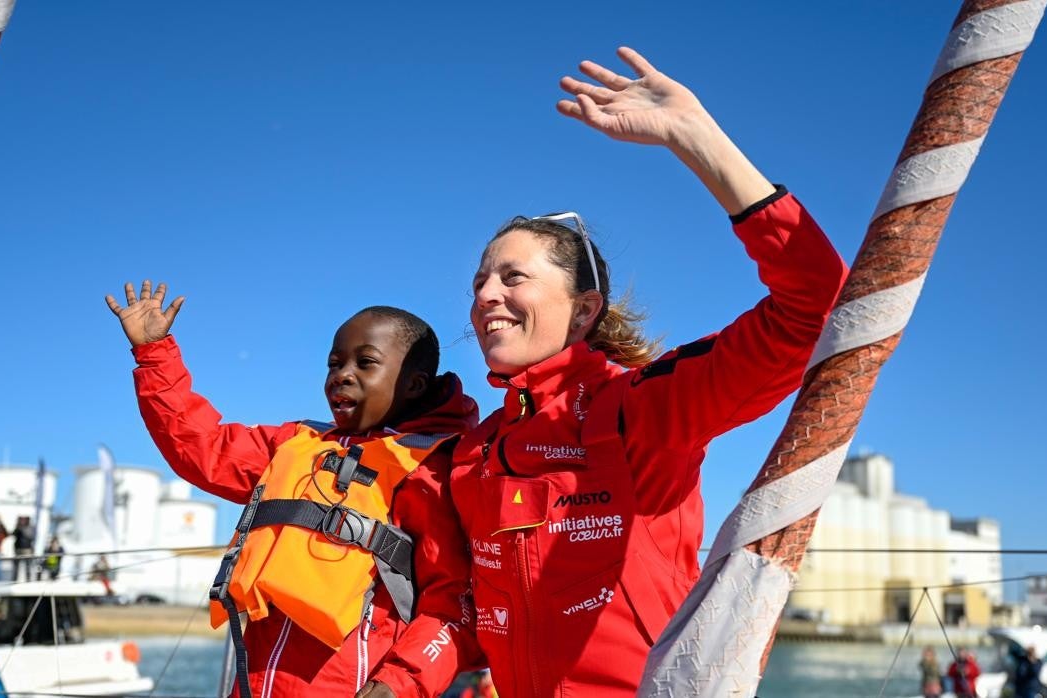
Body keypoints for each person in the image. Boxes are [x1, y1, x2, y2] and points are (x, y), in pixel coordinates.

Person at [450, 47, 848, 696]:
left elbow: (815, 311)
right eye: (479, 281)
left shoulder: (639, 410)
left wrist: (695, 138)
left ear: (584, 310)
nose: (485, 296)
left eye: (512, 277)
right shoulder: (473, 454)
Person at [106, 283, 481, 698]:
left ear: (413, 384)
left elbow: (454, 602)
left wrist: (399, 683)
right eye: (334, 364)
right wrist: (155, 352)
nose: (342, 376)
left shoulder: (430, 471)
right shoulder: (293, 445)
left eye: (365, 363)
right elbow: (201, 446)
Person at [12, 515, 35, 581]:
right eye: (21, 520)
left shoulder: (30, 528)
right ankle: (14, 580)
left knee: (27, 566)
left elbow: (30, 536)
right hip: (18, 549)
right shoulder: (18, 527)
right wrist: (17, 527)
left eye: (24, 520)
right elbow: (13, 534)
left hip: (27, 549)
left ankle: (28, 580)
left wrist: (22, 529)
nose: (22, 521)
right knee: (16, 566)